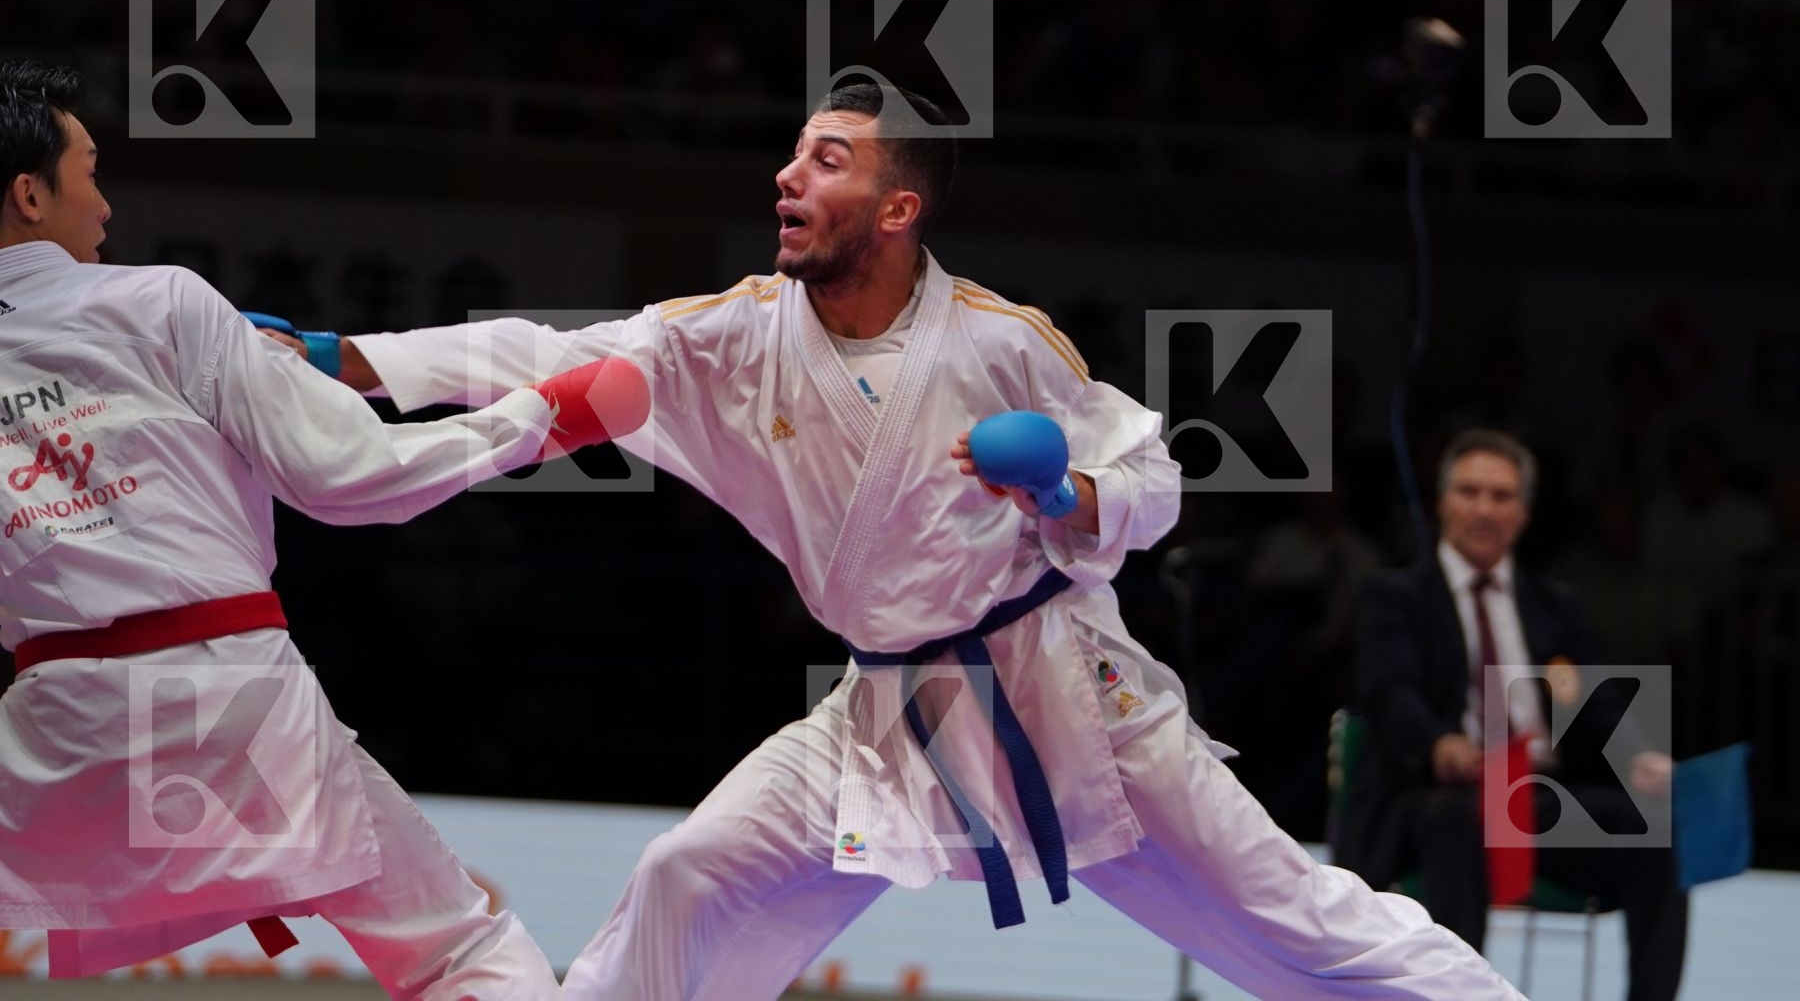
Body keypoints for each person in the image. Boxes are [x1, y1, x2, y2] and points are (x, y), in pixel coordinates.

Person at [299, 83, 1524, 999]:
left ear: (896, 205)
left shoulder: (1001, 342)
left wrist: (1066, 495)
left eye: (823, 161)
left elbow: (1149, 476)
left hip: (1064, 697)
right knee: (689, 874)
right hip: (886, 710)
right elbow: (550, 354)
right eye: (790, 155)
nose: (786, 177)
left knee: (1294, 921)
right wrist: (356, 361)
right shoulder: (734, 337)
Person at [0, 61, 636, 996]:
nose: (104, 206)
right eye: (90, 172)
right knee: (454, 949)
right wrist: (542, 421)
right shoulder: (160, 301)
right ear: (28, 192)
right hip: (227, 700)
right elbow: (354, 477)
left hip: (53, 731)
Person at [1342, 428, 1687, 1001]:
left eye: (1501, 496)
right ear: (1442, 503)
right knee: (1460, 820)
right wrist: (1439, 746)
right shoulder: (1395, 596)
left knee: (1657, 830)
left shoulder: (1556, 605)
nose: (1484, 508)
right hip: (1431, 801)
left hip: (1530, 803)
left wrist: (1639, 758)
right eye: (1469, 492)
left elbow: (1593, 706)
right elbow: (1389, 693)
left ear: (1523, 513)